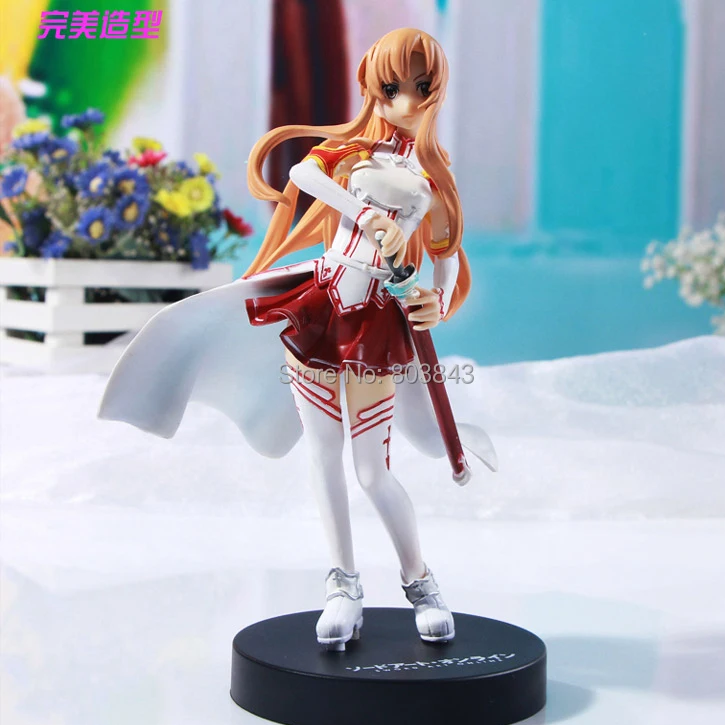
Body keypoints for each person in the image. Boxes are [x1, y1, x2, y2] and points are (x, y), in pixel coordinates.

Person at [99, 28, 495, 652]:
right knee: (323, 454)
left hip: (373, 325)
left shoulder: (431, 186)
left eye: (420, 87)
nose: (405, 101)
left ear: (435, 92)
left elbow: (445, 259)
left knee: (372, 471)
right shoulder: (352, 157)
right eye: (391, 87)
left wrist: (435, 304)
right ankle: (343, 585)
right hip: (320, 307)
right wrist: (364, 214)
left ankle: (420, 582)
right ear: (372, 85)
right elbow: (303, 173)